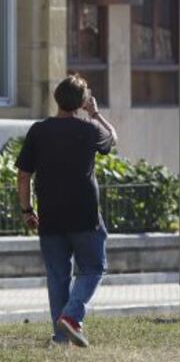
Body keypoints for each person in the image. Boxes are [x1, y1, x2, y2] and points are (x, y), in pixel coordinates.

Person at [16, 74, 117, 347]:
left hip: (50, 215)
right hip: (85, 215)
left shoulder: (39, 130)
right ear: (82, 102)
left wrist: (27, 210)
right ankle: (72, 317)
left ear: (56, 98)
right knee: (95, 268)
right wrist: (95, 114)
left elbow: (24, 175)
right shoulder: (89, 129)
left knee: (58, 277)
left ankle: (60, 339)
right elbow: (113, 139)